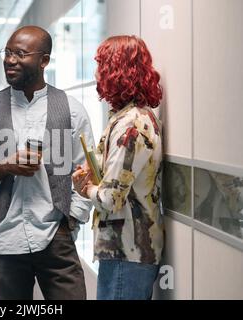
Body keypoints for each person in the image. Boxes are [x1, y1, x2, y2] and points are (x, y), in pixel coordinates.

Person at [0, 25, 94, 300]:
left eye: (20, 54)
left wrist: (72, 221)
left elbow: (87, 173)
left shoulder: (72, 110)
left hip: (57, 238)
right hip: (4, 240)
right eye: (7, 53)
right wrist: (4, 167)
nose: (10, 60)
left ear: (44, 60)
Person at [72, 35, 164, 300]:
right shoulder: (133, 117)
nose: (97, 73)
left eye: (102, 66)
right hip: (128, 249)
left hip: (128, 250)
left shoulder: (131, 125)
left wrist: (87, 189)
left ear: (116, 71)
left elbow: (111, 198)